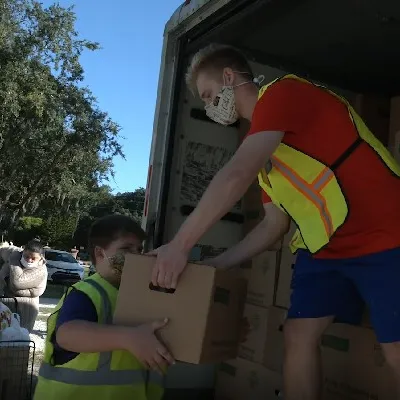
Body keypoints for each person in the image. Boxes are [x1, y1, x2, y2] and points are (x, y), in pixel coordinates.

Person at [150, 44, 400, 400]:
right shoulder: (268, 162)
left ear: (229, 77)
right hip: (328, 250)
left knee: (395, 349)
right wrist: (214, 266)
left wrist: (180, 245)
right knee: (298, 334)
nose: (209, 107)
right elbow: (272, 225)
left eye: (209, 95)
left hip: (387, 235)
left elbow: (237, 173)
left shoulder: (285, 93)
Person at [34, 215, 175, 400]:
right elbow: (67, 335)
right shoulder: (86, 293)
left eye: (139, 249)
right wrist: (129, 338)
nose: (136, 256)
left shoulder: (137, 294)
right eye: (126, 249)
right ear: (100, 253)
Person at [0, 239, 47, 331]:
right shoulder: (15, 254)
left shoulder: (40, 270)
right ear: (23, 252)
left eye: (33, 258)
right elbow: (4, 250)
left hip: (25, 309)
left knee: (19, 338)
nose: (29, 260)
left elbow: (17, 283)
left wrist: (13, 261)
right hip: (5, 304)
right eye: (26, 256)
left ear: (41, 258)